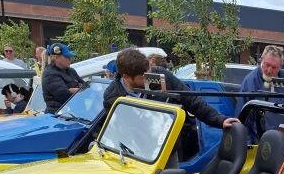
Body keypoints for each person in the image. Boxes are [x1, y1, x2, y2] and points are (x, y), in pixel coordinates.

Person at [102, 48, 240, 135]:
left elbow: (191, 100)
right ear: (126, 76)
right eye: (142, 77)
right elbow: (120, 131)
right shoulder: (112, 97)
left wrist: (219, 120)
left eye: (149, 72)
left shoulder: (161, 76)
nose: (149, 78)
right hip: (136, 155)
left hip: (168, 149)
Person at [236, 45, 284, 140]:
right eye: (267, 65)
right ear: (261, 60)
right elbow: (241, 118)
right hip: (261, 142)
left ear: (280, 66)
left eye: (274, 67)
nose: (269, 70)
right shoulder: (251, 81)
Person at [42, 44, 85, 114]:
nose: (70, 59)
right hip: (57, 116)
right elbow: (65, 96)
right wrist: (79, 89)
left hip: (73, 114)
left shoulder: (71, 71)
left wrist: (73, 90)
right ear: (56, 57)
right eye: (67, 57)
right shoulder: (50, 74)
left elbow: (86, 88)